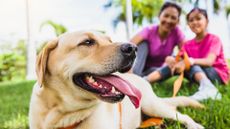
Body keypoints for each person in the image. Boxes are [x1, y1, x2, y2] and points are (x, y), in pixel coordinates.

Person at [174, 7, 230, 101]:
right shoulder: (187, 44)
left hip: (217, 74)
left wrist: (190, 61)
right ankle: (147, 80)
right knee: (182, 62)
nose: (195, 22)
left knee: (190, 63)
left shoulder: (214, 39)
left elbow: (209, 61)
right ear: (188, 24)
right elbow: (178, 58)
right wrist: (172, 60)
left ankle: (208, 88)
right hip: (199, 71)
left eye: (198, 18)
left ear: (207, 21)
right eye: (191, 20)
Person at [130, 2, 185, 83]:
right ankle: (133, 77)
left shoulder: (177, 32)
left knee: (173, 64)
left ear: (178, 20)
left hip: (154, 71)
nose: (169, 20)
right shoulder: (149, 30)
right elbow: (128, 46)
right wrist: (128, 70)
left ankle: (144, 80)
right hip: (138, 68)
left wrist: (174, 59)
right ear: (159, 16)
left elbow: (186, 53)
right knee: (143, 44)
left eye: (173, 17)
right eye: (166, 16)